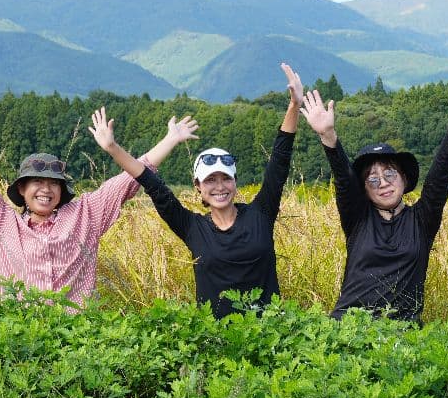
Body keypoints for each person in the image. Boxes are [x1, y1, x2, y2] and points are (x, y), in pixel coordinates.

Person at [0, 78, 199, 310]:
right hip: (21, 340)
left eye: (54, 183)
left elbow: (129, 179)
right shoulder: (2, 223)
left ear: (62, 189)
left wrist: (169, 140)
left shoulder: (85, 215)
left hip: (76, 338)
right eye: (37, 182)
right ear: (21, 188)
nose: (45, 189)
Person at [95, 64, 304, 319]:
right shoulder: (192, 227)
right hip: (213, 342)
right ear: (198, 187)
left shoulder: (260, 214)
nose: (219, 187)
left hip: (269, 336)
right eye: (210, 180)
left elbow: (279, 164)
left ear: (235, 182)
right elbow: (151, 184)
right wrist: (113, 147)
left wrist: (294, 106)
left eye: (225, 179)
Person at [300, 79, 448, 322]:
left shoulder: (422, 221)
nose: (383, 183)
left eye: (389, 174)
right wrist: (328, 136)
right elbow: (343, 179)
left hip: (402, 335)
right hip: (349, 327)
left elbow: (438, 180)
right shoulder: (358, 220)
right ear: (363, 189)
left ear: (404, 179)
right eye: (372, 179)